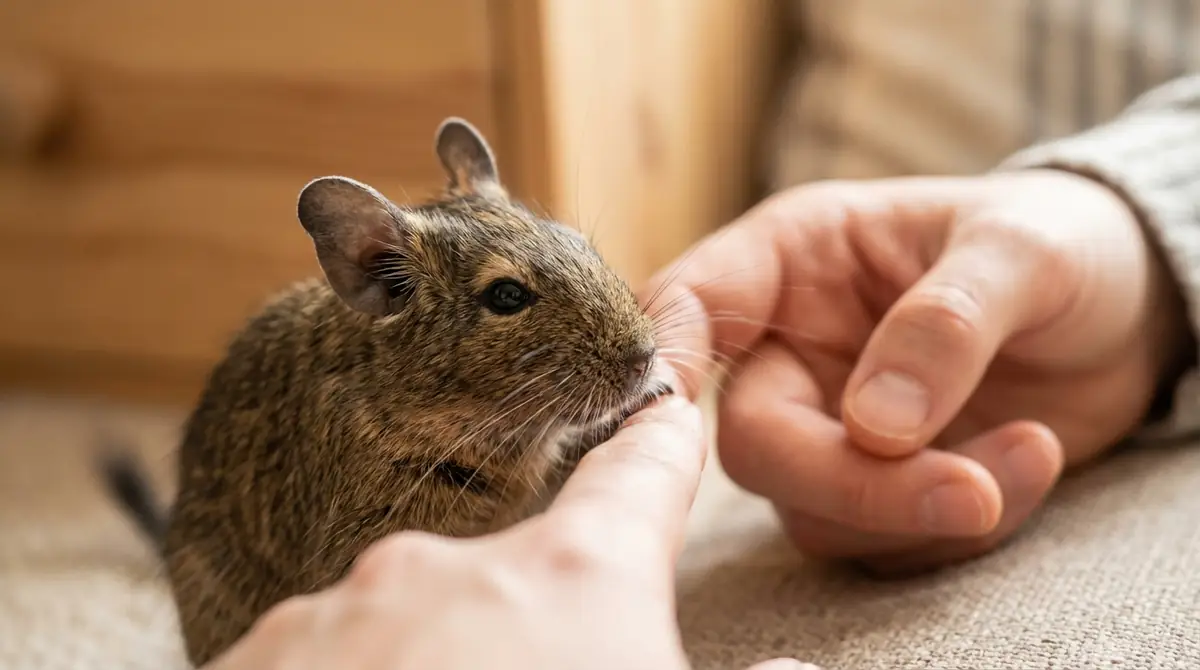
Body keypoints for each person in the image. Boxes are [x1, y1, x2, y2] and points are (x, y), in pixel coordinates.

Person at [204, 38, 1200, 670]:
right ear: (379, 282)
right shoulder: (371, 427)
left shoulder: (515, 417)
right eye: (510, 301)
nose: (628, 343)